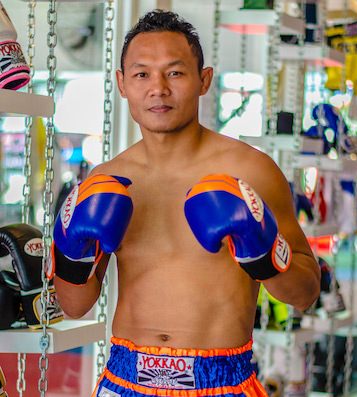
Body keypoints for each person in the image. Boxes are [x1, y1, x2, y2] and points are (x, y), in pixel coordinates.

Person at [50, 9, 320, 397]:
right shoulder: (106, 180)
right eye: (142, 74)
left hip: (221, 380)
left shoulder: (250, 170)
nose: (158, 88)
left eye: (175, 72)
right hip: (125, 379)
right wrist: (73, 256)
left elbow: (305, 293)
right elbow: (74, 307)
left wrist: (263, 251)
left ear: (203, 80)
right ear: (122, 84)